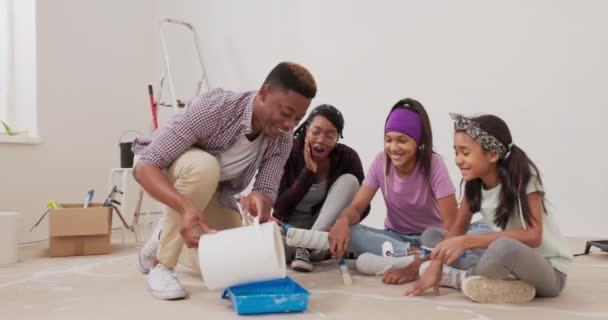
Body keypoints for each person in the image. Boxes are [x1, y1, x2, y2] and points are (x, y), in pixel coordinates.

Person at [131, 62, 316, 300]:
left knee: (231, 262)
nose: (290, 125)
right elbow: (145, 166)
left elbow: (267, 191)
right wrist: (184, 207)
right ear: (264, 93)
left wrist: (260, 199)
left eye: (298, 119)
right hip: (168, 176)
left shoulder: (282, 138)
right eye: (286, 113)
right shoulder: (215, 108)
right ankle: (162, 265)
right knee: (205, 167)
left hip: (217, 195)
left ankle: (163, 234)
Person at [406, 113, 573, 303]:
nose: (458, 160)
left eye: (465, 153)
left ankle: (462, 278)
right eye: (456, 152)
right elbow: (459, 228)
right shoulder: (474, 183)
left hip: (549, 271)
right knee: (434, 237)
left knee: (503, 247)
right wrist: (436, 264)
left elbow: (534, 236)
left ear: (492, 154)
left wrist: (467, 242)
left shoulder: (523, 178)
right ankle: (501, 282)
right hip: (504, 260)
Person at [328, 98, 462, 284]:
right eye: (388, 140)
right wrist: (342, 221)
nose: (393, 147)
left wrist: (412, 269)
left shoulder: (434, 165)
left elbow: (452, 224)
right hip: (394, 237)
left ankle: (408, 260)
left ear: (418, 142)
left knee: (455, 243)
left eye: (402, 141)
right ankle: (409, 255)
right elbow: (357, 207)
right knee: (349, 232)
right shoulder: (380, 162)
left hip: (430, 239)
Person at [273, 104, 369, 272]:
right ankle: (312, 249)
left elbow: (364, 205)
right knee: (269, 246)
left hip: (321, 227)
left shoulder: (347, 158)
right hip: (288, 228)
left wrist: (341, 223)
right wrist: (308, 172)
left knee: (350, 181)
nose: (321, 140)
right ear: (306, 128)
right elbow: (280, 206)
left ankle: (308, 247)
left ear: (338, 137)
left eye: (330, 135)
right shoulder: (289, 150)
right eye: (315, 132)